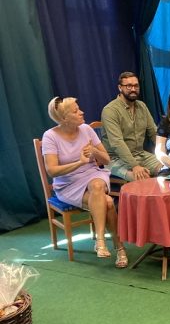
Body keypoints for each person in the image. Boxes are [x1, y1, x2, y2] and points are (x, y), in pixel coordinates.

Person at [43, 96, 128, 268]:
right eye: (76, 111)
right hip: (68, 185)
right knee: (108, 202)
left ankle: (101, 240)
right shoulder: (50, 136)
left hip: (94, 175)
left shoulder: (86, 129)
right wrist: (80, 162)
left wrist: (94, 151)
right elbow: (52, 170)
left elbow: (106, 159)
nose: (81, 112)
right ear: (64, 118)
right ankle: (119, 248)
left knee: (97, 185)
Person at [101, 71, 162, 181]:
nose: (133, 89)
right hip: (116, 159)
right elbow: (117, 143)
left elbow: (153, 132)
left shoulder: (142, 106)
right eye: (129, 86)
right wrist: (135, 165)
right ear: (120, 88)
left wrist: (166, 154)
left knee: (167, 169)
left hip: (141, 155)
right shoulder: (110, 110)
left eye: (136, 86)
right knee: (143, 178)